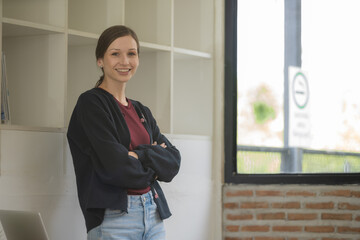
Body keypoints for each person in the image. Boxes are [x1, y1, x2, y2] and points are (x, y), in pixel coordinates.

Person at [67, 25, 181, 240]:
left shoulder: (141, 110)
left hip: (153, 213)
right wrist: (154, 162)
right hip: (114, 218)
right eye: (115, 54)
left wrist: (137, 155)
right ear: (100, 60)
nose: (125, 61)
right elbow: (116, 168)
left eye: (131, 54)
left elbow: (173, 161)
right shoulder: (91, 104)